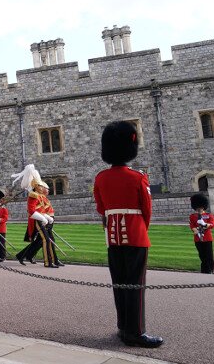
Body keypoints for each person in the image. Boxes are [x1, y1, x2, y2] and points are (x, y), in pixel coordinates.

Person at [94, 120, 162, 348]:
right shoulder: (138, 177)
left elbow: (101, 208)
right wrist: (143, 230)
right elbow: (147, 209)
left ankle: (123, 326)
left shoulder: (101, 178)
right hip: (135, 234)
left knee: (119, 283)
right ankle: (136, 332)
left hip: (112, 236)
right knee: (135, 284)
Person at [12, 165, 56, 267]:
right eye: (40, 186)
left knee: (43, 240)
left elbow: (41, 210)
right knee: (45, 240)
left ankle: (23, 256)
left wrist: (47, 217)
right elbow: (32, 211)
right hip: (37, 220)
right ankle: (47, 262)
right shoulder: (33, 195)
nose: (42, 188)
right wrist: (44, 218)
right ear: (36, 186)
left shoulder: (39, 196)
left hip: (42, 219)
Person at [190, 193, 213, 274]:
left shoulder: (208, 215)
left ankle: (210, 268)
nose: (199, 208)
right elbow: (192, 225)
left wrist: (205, 225)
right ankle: (205, 270)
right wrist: (195, 230)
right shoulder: (192, 216)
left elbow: (212, 224)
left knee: (209, 254)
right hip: (198, 238)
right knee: (202, 255)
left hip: (207, 237)